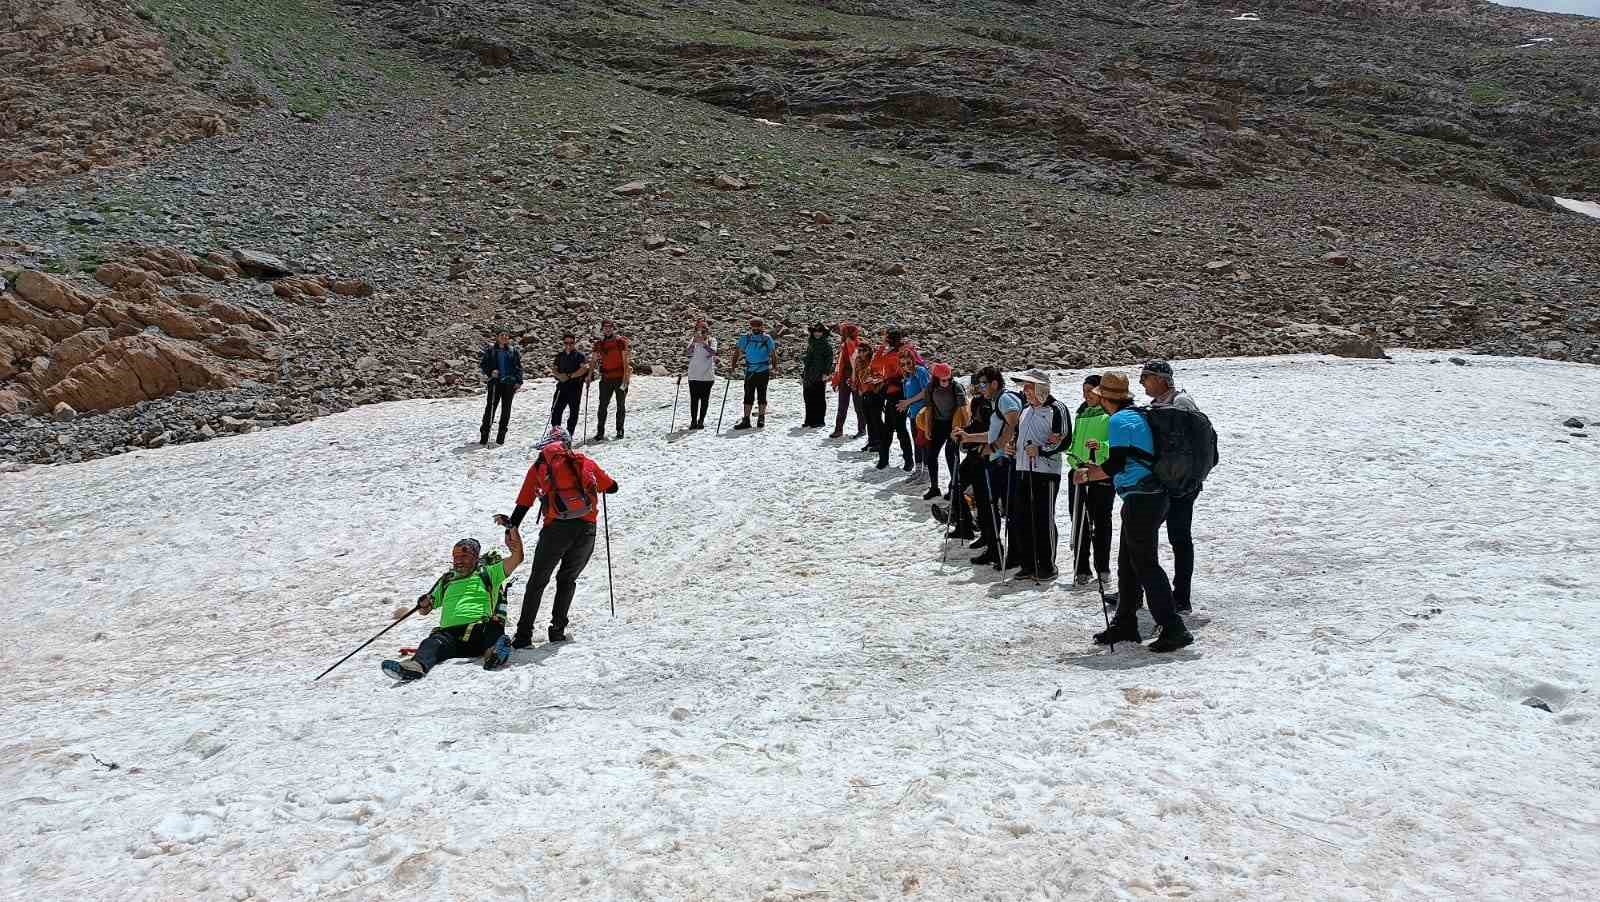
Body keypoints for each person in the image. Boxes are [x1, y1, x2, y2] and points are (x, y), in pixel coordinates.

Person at [1074, 372, 1193, 653]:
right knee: (1129, 561)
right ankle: (1125, 622)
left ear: (1106, 399)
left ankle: (1174, 627)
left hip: (1142, 498)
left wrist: (1088, 475)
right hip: (1148, 495)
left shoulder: (1118, 420)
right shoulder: (1136, 416)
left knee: (1144, 563)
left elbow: (1115, 463)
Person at [496, 426, 619, 647]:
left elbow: (524, 502)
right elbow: (612, 488)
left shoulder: (539, 467)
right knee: (567, 579)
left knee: (537, 581)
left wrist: (511, 527)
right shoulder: (583, 462)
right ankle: (558, 630)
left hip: (555, 530)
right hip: (586, 529)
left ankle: (524, 635)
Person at [380, 532, 525, 681]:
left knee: (492, 628)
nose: (458, 561)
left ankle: (494, 653)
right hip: (449, 636)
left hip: (478, 629)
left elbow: (517, 558)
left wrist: (515, 542)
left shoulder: (489, 573)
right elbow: (425, 609)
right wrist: (423, 603)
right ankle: (414, 668)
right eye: (456, 557)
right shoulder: (446, 580)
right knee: (431, 642)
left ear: (475, 557)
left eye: (464, 556)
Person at [1140, 360, 1202, 614]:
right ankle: (1137, 589)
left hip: (1181, 485)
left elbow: (1195, 445)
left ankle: (1181, 596)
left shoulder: (1181, 404)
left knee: (1179, 538)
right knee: (1142, 537)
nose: (1142, 381)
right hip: (1163, 481)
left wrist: (1188, 479)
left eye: (1146, 376)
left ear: (1162, 379)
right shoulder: (1158, 405)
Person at [1007, 370, 1072, 581]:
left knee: (1043, 518)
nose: (1024, 391)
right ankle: (1027, 563)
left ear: (1040, 388)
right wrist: (1012, 447)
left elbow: (1063, 440)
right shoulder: (1026, 410)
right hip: (1023, 468)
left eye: (1028, 387)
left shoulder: (1056, 408)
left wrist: (1041, 449)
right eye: (1024, 387)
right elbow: (1019, 436)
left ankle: (1047, 564)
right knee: (1022, 518)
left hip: (1045, 471)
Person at [1069, 374, 1114, 588]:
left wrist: (1101, 447)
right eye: (1084, 391)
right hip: (1079, 472)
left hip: (1101, 473)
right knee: (1079, 520)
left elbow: (1114, 445)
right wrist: (1073, 460)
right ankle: (1081, 567)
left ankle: (1102, 567)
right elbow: (1075, 443)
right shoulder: (1081, 413)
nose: (1086, 395)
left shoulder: (1110, 415)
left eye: (1091, 391)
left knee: (1101, 521)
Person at [943, 370, 997, 550]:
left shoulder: (990, 404)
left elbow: (991, 430)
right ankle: (964, 524)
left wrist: (968, 437)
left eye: (981, 385)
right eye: (976, 385)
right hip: (974, 451)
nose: (977, 388)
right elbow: (975, 425)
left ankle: (984, 532)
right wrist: (963, 432)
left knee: (983, 497)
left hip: (983, 453)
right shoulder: (977, 402)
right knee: (956, 485)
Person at [913, 363, 964, 501]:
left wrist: (957, 430)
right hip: (938, 424)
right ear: (936, 378)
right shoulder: (931, 387)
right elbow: (929, 408)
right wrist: (928, 428)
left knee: (951, 455)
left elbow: (961, 409)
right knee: (931, 456)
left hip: (954, 424)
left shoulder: (956, 387)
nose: (946, 382)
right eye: (943, 380)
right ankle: (934, 487)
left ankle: (954, 488)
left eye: (948, 379)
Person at [478, 330, 522, 446]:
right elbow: (483, 365)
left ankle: (500, 438)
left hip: (509, 384)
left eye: (506, 335)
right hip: (495, 383)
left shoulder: (513, 351)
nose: (504, 337)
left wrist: (519, 381)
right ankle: (484, 437)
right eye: (501, 335)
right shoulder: (491, 351)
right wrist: (491, 372)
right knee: (490, 409)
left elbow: (518, 367)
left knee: (506, 410)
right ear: (497, 337)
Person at [731, 318, 778, 430]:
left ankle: (760, 418)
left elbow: (773, 354)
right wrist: (733, 365)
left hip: (760, 370)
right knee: (749, 395)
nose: (756, 328)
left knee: (761, 394)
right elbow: (737, 352)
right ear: (751, 327)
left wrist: (775, 367)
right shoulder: (746, 338)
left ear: (762, 327)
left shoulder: (766, 338)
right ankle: (748, 419)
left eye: (758, 326)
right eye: (754, 326)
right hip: (752, 370)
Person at [591, 320, 631, 441]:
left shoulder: (620, 342)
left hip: (619, 378)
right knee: (602, 406)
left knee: (620, 405)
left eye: (609, 327)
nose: (607, 329)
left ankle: (619, 430)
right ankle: (600, 431)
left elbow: (626, 362)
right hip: (606, 379)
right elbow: (593, 360)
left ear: (613, 328)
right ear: (602, 329)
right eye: (605, 327)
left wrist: (626, 379)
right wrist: (588, 376)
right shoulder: (599, 344)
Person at [830, 323, 865, 439]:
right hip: (848, 377)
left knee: (853, 404)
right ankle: (843, 429)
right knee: (849, 404)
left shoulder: (851, 344)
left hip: (853, 378)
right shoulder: (851, 344)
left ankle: (855, 429)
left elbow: (853, 361)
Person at [549, 332, 587, 435]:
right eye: (566, 343)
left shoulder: (579, 356)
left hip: (575, 387)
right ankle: (556, 433)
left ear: (574, 343)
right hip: (562, 387)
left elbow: (584, 369)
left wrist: (570, 376)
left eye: (571, 343)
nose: (569, 345)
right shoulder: (560, 356)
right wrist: (559, 376)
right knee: (556, 410)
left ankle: (569, 434)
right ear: (563, 343)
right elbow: (554, 369)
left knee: (573, 412)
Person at [685, 319, 718, 430]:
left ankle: (701, 421)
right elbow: (687, 353)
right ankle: (693, 421)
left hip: (707, 376)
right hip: (693, 375)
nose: (702, 332)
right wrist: (694, 342)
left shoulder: (712, 340)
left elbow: (713, 352)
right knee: (694, 400)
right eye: (700, 329)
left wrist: (704, 344)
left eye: (704, 329)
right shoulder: (693, 340)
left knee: (704, 400)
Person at [801, 323, 833, 428]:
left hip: (820, 374)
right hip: (809, 374)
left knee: (818, 397)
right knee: (808, 397)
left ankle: (819, 420)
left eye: (820, 332)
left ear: (823, 333)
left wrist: (826, 373)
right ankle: (809, 419)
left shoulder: (826, 346)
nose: (817, 334)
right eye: (816, 331)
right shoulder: (811, 343)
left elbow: (829, 361)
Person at [853, 340, 882, 452]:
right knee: (868, 418)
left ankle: (879, 442)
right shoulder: (858, 361)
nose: (860, 353)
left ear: (869, 351)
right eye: (859, 351)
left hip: (875, 393)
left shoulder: (874, 362)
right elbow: (858, 376)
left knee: (875, 419)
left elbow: (881, 376)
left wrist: (873, 380)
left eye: (863, 351)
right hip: (864, 392)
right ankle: (871, 441)